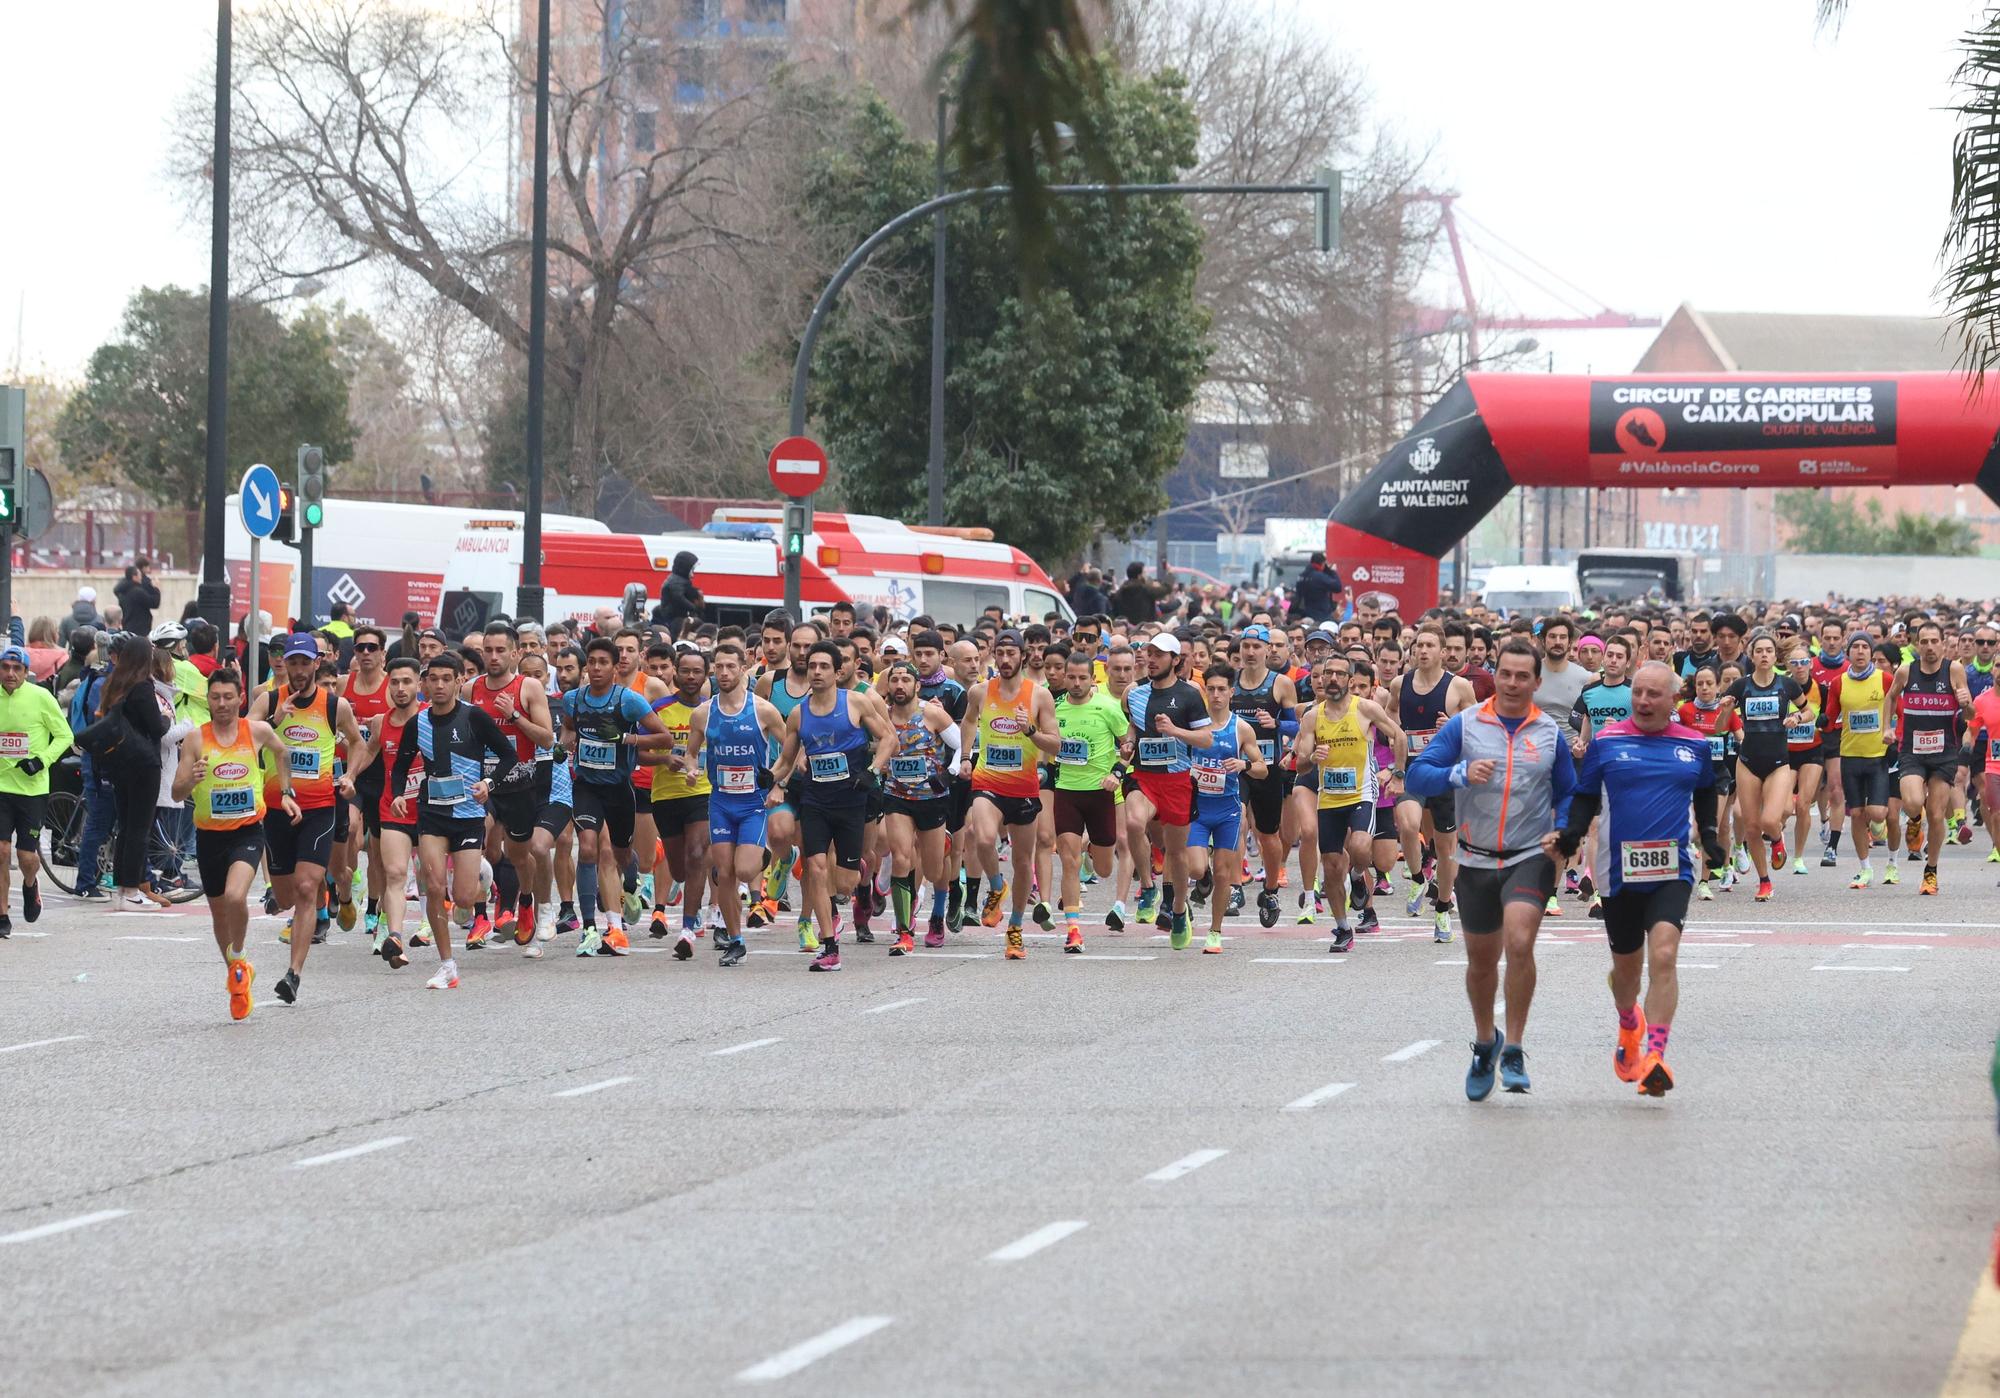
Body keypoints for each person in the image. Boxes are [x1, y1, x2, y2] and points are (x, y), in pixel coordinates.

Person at [1405, 638, 1576, 1101]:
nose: (1514, 683)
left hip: (1528, 855)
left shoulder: (1549, 735)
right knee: (1481, 963)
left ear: (1538, 682)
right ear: (1494, 675)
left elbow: (1568, 794)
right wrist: (1457, 774)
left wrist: (1562, 832)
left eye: (1524, 676)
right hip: (1475, 857)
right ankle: (1486, 1042)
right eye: (1507, 674)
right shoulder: (1465, 725)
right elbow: (1418, 775)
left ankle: (1515, 1047)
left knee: (1519, 942)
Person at [1548, 661, 1724, 1099]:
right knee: (1627, 971)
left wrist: (1714, 838)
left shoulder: (1695, 746)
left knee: (1663, 955)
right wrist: (1570, 836)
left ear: (1673, 699)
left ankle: (1656, 1055)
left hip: (1673, 868)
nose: (1643, 701)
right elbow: (1586, 796)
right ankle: (1629, 1023)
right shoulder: (1607, 742)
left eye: (1653, 694)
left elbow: (1705, 792)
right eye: (1638, 693)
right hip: (1617, 870)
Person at [172, 668, 300, 1019]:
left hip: (247, 831)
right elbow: (176, 791)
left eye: (229, 697)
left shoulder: (256, 730)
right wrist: (191, 779)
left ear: (240, 698)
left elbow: (283, 752)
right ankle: (236, 973)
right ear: (208, 700)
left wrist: (285, 791)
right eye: (216, 697)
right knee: (218, 914)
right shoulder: (196, 739)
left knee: (234, 897)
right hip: (209, 834)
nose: (222, 703)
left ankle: (240, 955)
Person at [388, 655, 522, 989]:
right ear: (425, 683)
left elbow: (509, 756)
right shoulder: (417, 723)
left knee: (463, 899)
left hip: (467, 816)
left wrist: (488, 785)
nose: (439, 685)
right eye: (433, 679)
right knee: (433, 886)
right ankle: (447, 965)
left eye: (447, 678)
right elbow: (401, 766)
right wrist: (398, 795)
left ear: (459, 681)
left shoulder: (473, 717)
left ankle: (482, 874)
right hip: (432, 814)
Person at [248, 634, 366, 1002]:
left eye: (305, 662)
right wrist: (271, 719)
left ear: (317, 664)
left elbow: (358, 743)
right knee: (284, 896)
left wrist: (349, 776)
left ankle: (293, 973)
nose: (298, 670)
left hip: (318, 808)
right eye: (292, 662)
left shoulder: (335, 706)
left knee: (305, 888)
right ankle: (331, 890)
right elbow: (243, 737)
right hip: (278, 811)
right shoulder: (268, 700)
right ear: (284, 664)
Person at [771, 640, 898, 971]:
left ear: (837, 670)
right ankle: (829, 946)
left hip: (853, 799)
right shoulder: (799, 714)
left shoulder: (855, 703)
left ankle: (861, 879)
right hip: (815, 800)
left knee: (844, 882)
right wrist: (767, 779)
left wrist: (872, 771)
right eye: (812, 666)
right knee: (816, 867)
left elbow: (889, 739)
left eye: (823, 666)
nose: (816, 671)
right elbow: (786, 760)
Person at [562, 636, 674, 955]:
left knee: (623, 854)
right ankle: (596, 928)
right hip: (586, 786)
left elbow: (664, 738)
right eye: (592, 662)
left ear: (614, 668)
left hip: (619, 788)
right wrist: (564, 745)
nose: (596, 668)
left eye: (603, 663)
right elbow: (570, 728)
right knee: (590, 849)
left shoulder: (628, 701)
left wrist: (626, 738)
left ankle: (633, 880)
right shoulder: (573, 699)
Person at [682, 641, 787, 966]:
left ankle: (762, 857)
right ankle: (736, 939)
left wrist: (778, 782)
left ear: (744, 668)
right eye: (719, 667)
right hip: (721, 803)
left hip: (754, 803)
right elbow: (690, 752)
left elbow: (790, 746)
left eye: (731, 666)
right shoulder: (703, 713)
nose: (724, 673)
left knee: (744, 869)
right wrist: (691, 768)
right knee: (724, 873)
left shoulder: (762, 710)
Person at [959, 629, 1062, 958]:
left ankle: (1015, 927)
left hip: (1024, 787)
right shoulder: (979, 692)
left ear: (1022, 655)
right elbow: (968, 722)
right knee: (982, 836)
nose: (1004, 660)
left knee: (1022, 862)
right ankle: (996, 885)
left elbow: (1055, 744)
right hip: (987, 779)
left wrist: (1029, 730)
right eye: (999, 653)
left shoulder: (1039, 696)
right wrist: (964, 756)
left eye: (1010, 654)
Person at [1293, 653, 1404, 953]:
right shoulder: (1312, 716)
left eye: (1340, 674)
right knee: (1330, 867)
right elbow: (1301, 765)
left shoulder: (1365, 708)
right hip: (1329, 798)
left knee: (1358, 847)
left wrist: (1398, 774)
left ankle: (1357, 876)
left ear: (1350, 680)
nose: (1332, 679)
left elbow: (1400, 736)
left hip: (1361, 794)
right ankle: (1343, 928)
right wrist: (1310, 758)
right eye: (1328, 673)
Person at [1122, 633, 1213, 949]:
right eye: (1149, 653)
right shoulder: (1134, 694)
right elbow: (1133, 724)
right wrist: (1130, 741)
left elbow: (1206, 739)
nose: (1152, 659)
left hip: (1177, 781)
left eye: (1160, 654)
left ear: (1176, 660)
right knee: (1134, 822)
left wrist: (1174, 731)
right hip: (1144, 776)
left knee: (1176, 854)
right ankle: (1148, 888)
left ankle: (1177, 912)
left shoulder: (1189, 695)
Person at [1392, 623, 1477, 942]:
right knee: (1408, 825)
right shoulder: (1401, 684)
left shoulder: (1459, 687)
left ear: (1443, 652)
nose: (1422, 650)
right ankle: (1417, 877)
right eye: (1417, 645)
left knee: (1446, 850)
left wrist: (1454, 725)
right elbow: (1391, 718)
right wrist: (1394, 752)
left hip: (1445, 773)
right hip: (1413, 770)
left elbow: (1478, 726)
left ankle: (1442, 909)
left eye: (1429, 645)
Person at [1884, 619, 1974, 894]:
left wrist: (1966, 704)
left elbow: (1970, 716)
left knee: (1936, 815)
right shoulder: (1906, 671)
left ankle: (1930, 871)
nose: (1930, 647)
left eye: (1935, 641)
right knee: (1911, 802)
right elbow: (1890, 698)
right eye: (1924, 642)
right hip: (1912, 749)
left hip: (1945, 752)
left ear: (1944, 644)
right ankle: (1913, 821)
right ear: (1917, 644)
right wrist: (1887, 726)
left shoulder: (1954, 669)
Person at [875, 659, 958, 956]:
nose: (899, 685)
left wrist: (948, 772)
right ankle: (904, 930)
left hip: (932, 797)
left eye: (905, 680)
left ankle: (937, 913)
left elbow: (961, 744)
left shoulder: (932, 714)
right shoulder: (881, 717)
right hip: (896, 795)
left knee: (935, 870)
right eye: (894, 680)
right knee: (901, 858)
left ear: (917, 685)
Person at [1717, 630, 1806, 902]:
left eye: (1769, 650)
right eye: (1759, 651)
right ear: (1752, 656)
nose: (1764, 655)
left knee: (1769, 821)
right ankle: (1764, 881)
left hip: (1778, 762)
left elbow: (1809, 710)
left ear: (1774, 655)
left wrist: (1797, 717)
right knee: (1752, 826)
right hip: (1748, 762)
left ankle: (1777, 839)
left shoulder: (1786, 685)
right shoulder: (1741, 687)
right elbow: (1720, 728)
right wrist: (1727, 710)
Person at [1051, 648, 1129, 953]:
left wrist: (1118, 773)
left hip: (1102, 793)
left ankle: (1091, 853)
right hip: (1067, 791)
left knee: (1105, 867)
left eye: (1082, 677)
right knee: (1068, 861)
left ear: (1091, 678)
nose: (1076, 683)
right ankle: (1073, 929)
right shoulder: (1056, 708)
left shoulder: (1107, 707)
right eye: (1071, 677)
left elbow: (1128, 744)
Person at [1187, 664, 1268, 954]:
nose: (1217, 695)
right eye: (1211, 689)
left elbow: (1262, 769)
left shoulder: (1241, 728)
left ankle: (1215, 931)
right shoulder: (1193, 725)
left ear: (1231, 692)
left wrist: (1244, 764)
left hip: (1228, 811)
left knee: (1223, 872)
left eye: (1222, 689)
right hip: (1197, 809)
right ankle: (1202, 882)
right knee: (1197, 867)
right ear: (1204, 691)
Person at [1229, 624, 1299, 929]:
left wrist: (1277, 724)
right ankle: (1234, 886)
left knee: (1269, 835)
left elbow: (1298, 728)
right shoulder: (1229, 684)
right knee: (1237, 819)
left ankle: (1270, 890)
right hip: (1236, 766)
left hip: (1267, 769)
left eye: (1257, 646)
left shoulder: (1281, 684)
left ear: (1268, 649)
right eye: (1246, 646)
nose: (1251, 651)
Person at [0, 645, 71, 935]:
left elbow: (65, 735)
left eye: (17, 669)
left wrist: (41, 761)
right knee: (1, 851)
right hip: (1, 788)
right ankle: (2, 914)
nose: (10, 674)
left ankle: (31, 885)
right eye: (5, 668)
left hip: (32, 791)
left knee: (26, 857)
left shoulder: (41, 697)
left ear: (27, 672)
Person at [1826, 634, 1894, 889]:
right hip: (1851, 755)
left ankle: (1880, 828)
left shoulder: (1885, 679)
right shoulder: (1838, 683)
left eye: (1865, 647)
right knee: (1855, 814)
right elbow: (1831, 716)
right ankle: (1865, 869)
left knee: (1876, 813)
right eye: (1856, 647)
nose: (1860, 651)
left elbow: (1899, 710)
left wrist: (1895, 737)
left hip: (1878, 755)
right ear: (1849, 652)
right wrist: (1821, 722)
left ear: (1871, 653)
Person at [652, 550, 704, 637]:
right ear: (685, 568)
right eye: (691, 570)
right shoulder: (675, 582)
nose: (693, 575)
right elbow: (679, 598)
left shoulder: (680, 580)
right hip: (672, 616)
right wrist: (694, 608)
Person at [114, 559, 161, 639]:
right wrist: (157, 589)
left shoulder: (122, 591)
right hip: (140, 629)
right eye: (139, 575)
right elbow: (154, 603)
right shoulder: (137, 592)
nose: (141, 578)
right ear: (134, 577)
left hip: (127, 625)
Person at [1291, 551, 1342, 623]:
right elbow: (1337, 587)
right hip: (1321, 615)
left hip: (1304, 614)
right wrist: (1332, 571)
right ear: (1323, 563)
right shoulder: (1319, 577)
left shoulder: (1301, 576)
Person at [1111, 562, 1163, 626]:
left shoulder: (1120, 591)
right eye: (1144, 572)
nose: (1147, 575)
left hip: (1124, 628)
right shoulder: (1146, 591)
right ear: (1139, 576)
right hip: (1144, 629)